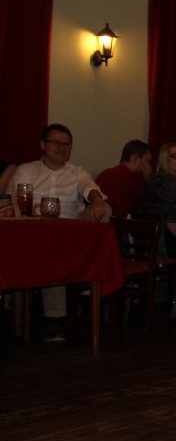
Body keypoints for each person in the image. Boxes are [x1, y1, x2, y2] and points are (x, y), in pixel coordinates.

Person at [10, 124, 112, 341]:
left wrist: (96, 200)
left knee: (106, 209)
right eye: (55, 142)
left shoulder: (77, 171)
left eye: (66, 144)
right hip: (35, 234)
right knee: (53, 246)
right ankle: (54, 319)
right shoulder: (26, 170)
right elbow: (15, 205)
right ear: (43, 145)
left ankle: (91, 268)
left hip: (71, 232)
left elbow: (90, 188)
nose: (61, 148)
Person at [142, 142, 176, 258]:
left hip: (147, 242)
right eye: (175, 156)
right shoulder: (171, 182)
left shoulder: (152, 178)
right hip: (164, 246)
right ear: (165, 159)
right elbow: (171, 223)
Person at [95, 139, 153, 218]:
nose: (149, 166)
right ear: (135, 158)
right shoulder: (136, 181)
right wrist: (147, 179)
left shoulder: (103, 174)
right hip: (121, 224)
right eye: (147, 161)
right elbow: (147, 207)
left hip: (99, 223)